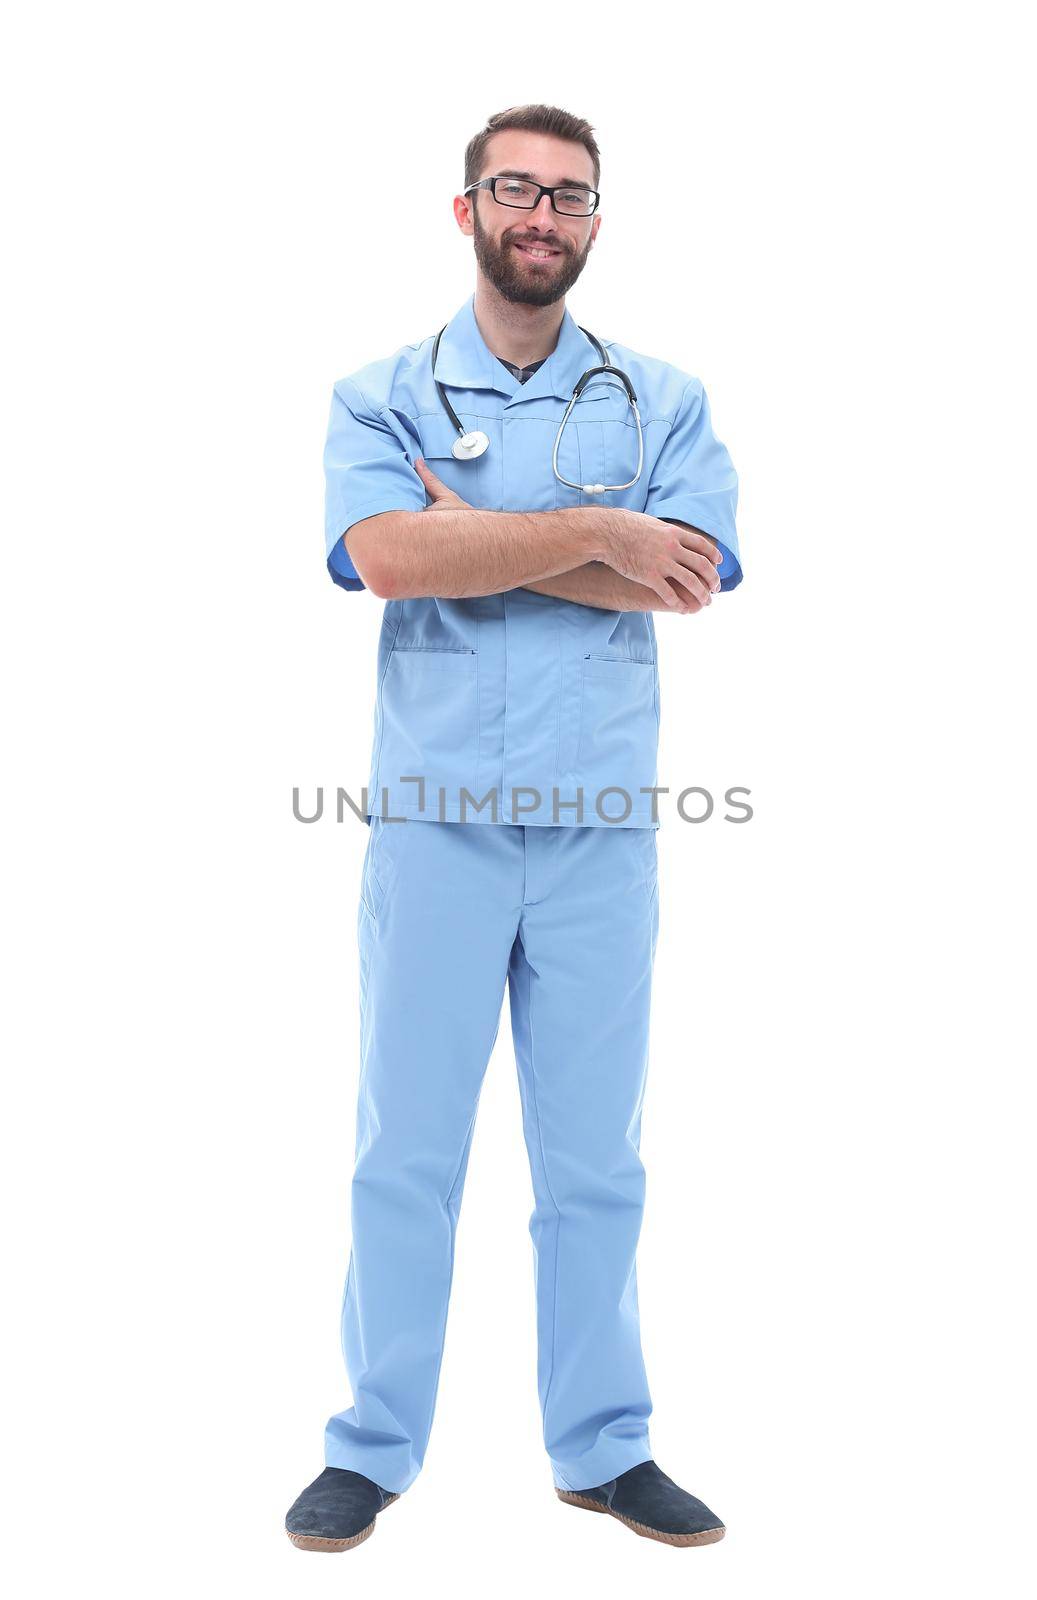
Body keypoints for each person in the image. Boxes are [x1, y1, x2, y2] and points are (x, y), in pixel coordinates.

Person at [286, 103, 742, 1553]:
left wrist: (482, 534)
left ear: (594, 223)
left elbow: (690, 580)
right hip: (433, 833)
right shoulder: (379, 394)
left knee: (594, 1162)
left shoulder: (662, 398)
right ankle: (372, 1446)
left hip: (600, 830)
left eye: (570, 197)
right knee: (402, 1154)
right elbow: (380, 554)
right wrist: (597, 527)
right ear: (467, 208)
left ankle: (604, 1448)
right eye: (515, 189)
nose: (541, 215)